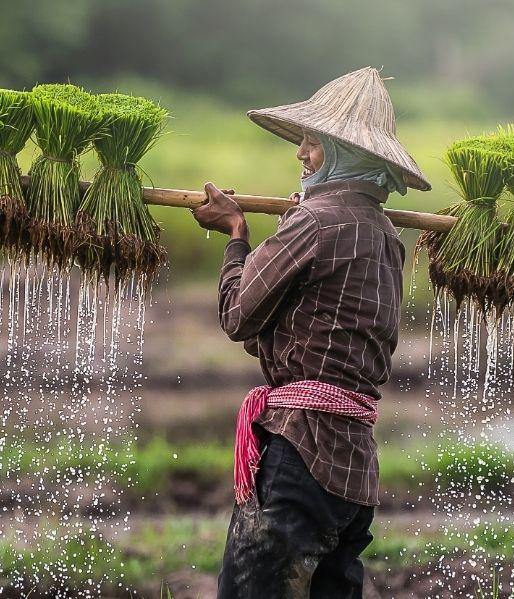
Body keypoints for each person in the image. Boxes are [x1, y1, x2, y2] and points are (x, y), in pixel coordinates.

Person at [189, 67, 432, 598]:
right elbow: (304, 330)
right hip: (354, 469)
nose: (300, 153)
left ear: (345, 154)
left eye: (313, 143)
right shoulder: (387, 236)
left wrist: (235, 235)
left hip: (301, 454)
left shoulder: (315, 222)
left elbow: (238, 315)